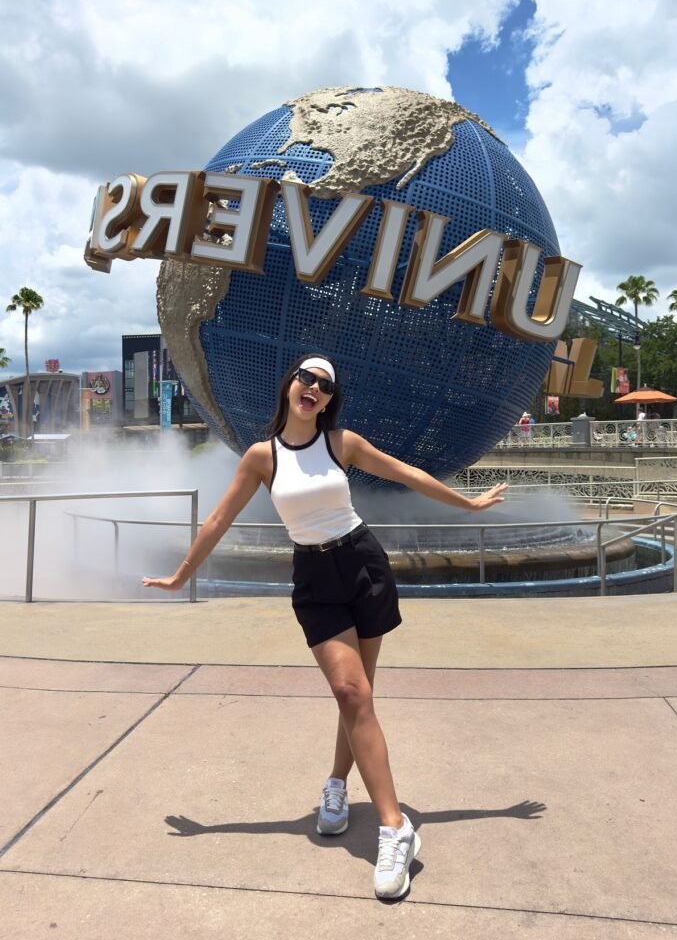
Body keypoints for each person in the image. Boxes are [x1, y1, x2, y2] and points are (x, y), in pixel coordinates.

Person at [143, 354, 507, 900]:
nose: (314, 388)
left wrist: (470, 504)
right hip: (314, 577)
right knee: (350, 689)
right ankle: (397, 827)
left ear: (330, 400)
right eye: (306, 378)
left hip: (362, 563)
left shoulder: (342, 444)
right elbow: (219, 519)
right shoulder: (261, 458)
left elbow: (405, 473)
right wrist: (180, 576)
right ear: (289, 384)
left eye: (326, 385)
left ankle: (339, 789)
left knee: (356, 696)